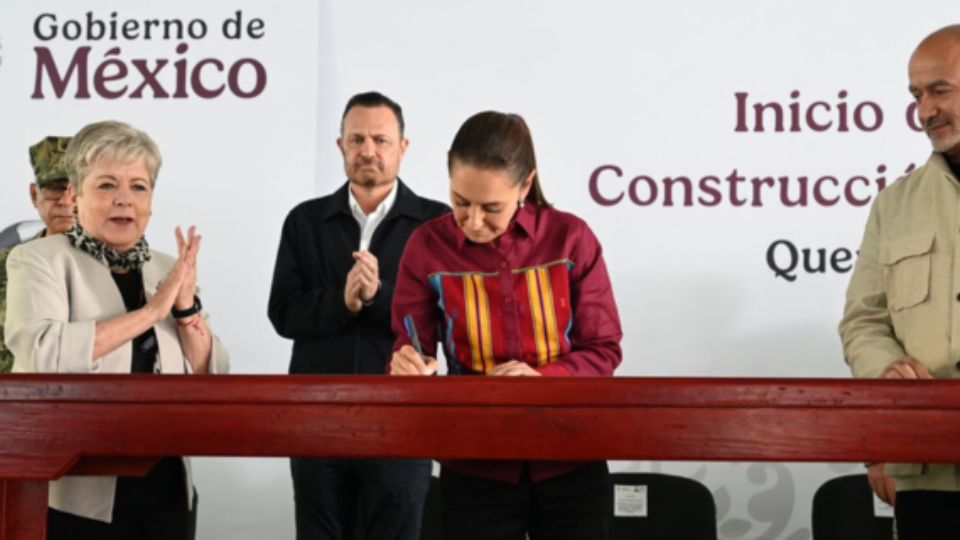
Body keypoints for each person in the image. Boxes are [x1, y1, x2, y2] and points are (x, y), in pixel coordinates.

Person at [390, 111, 623, 539]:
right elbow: (412, 346)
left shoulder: (572, 239)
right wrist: (410, 365)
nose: (473, 221)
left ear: (526, 186)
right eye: (460, 201)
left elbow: (604, 349)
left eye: (491, 207)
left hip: (571, 455)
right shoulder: (427, 247)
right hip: (474, 462)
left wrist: (541, 378)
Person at [4, 120, 230, 539]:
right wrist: (150, 312)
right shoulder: (38, 260)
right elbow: (42, 354)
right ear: (76, 194)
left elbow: (208, 377)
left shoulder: (167, 267)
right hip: (75, 485)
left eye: (138, 187)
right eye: (107, 185)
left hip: (165, 485)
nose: (124, 199)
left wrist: (184, 308)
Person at [268, 91, 450, 540]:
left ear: (403, 148)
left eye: (381, 140)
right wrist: (342, 302)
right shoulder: (304, 221)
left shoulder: (436, 224)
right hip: (316, 422)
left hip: (402, 424)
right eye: (357, 139)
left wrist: (377, 295)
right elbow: (283, 313)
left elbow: (448, 319)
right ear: (341, 146)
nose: (369, 150)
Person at [840, 24, 960, 540]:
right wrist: (884, 369)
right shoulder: (895, 204)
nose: (925, 111)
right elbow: (863, 321)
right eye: (916, 95)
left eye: (940, 90)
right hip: (927, 471)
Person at [0, 136, 75, 373]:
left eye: (77, 189)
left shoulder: (121, 267)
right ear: (35, 195)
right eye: (54, 189)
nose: (65, 201)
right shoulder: (5, 266)